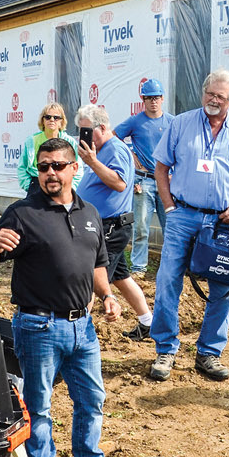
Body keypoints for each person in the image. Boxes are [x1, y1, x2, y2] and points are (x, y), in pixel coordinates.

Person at [0, 137, 133, 457]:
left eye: (57, 166)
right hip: (38, 327)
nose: (50, 173)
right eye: (43, 167)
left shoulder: (90, 213)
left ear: (74, 169)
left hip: (83, 327)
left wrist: (107, 295)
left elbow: (97, 264)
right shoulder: (22, 213)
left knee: (92, 400)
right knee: (39, 407)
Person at [147, 69, 229, 382]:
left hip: (224, 222)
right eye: (210, 94)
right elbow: (161, 167)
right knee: (168, 281)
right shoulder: (180, 124)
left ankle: (209, 353)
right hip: (183, 217)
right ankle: (165, 349)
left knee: (224, 286)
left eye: (221, 97)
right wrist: (169, 207)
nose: (214, 100)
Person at [74, 104, 155, 340]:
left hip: (111, 228)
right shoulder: (99, 151)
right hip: (102, 226)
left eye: (87, 131)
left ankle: (77, 334)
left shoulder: (116, 149)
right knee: (121, 277)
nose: (83, 136)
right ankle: (148, 323)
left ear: (101, 128)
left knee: (91, 281)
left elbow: (119, 183)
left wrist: (92, 162)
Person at [115, 79, 174, 274]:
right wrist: (131, 155)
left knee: (170, 227)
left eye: (156, 97)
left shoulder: (172, 122)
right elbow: (113, 137)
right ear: (143, 100)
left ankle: (171, 267)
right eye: (149, 98)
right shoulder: (135, 121)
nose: (153, 101)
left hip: (167, 182)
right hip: (144, 180)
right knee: (141, 228)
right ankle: (139, 268)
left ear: (162, 98)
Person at [17, 102, 71, 191]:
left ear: (61, 121)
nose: (52, 120)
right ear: (43, 120)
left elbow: (77, 169)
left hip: (62, 186)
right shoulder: (32, 141)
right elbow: (22, 167)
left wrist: (70, 188)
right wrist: (29, 186)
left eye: (56, 118)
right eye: (48, 117)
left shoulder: (69, 142)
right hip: (37, 185)